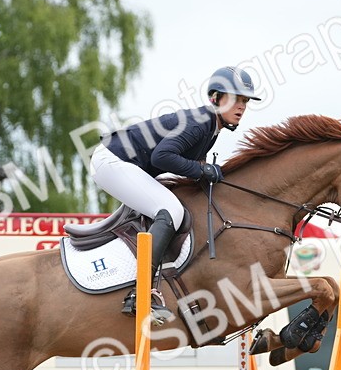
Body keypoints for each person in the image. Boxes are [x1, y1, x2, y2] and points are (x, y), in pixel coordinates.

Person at [89, 66, 261, 321]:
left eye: (245, 101)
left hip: (127, 163)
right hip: (113, 161)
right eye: (236, 99)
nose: (242, 107)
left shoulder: (210, 129)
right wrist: (202, 171)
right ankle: (140, 293)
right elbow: (163, 157)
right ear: (215, 98)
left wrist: (205, 172)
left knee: (178, 205)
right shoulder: (201, 122)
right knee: (170, 210)